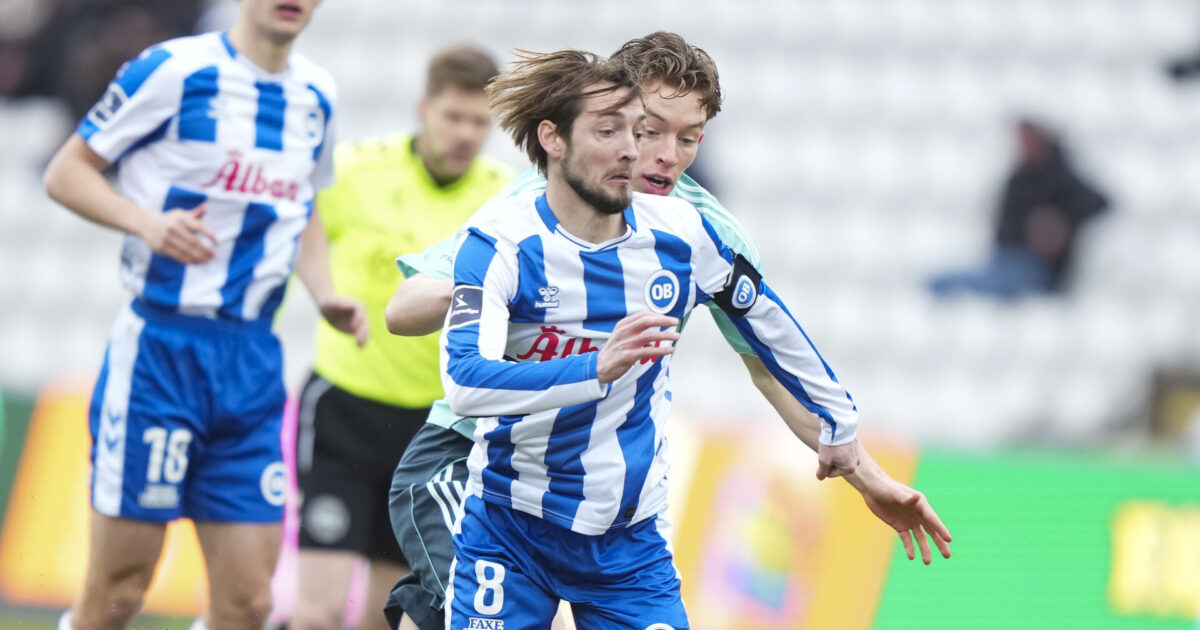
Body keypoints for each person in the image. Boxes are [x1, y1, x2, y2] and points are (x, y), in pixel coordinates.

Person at [383, 32, 952, 630]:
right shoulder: (537, 207)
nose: (664, 155)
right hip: (473, 455)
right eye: (650, 130)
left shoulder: (701, 235)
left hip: (604, 494)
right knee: (461, 606)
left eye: (688, 138)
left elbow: (767, 361)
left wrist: (868, 478)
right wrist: (514, 291)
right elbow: (402, 310)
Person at [40, 2, 367, 629]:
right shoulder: (172, 71)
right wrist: (146, 222)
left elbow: (305, 210)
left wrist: (324, 290)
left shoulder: (316, 95)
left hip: (251, 362)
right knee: (119, 591)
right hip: (162, 352)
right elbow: (66, 173)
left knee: (249, 603)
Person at [290, 46, 513, 630]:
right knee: (316, 612)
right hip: (343, 405)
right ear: (424, 108)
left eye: (479, 122)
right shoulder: (357, 170)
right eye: (453, 117)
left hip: (429, 430)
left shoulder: (502, 201)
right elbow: (299, 218)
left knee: (382, 617)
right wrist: (322, 292)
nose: (465, 134)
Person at [928, 117, 1109, 298]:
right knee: (940, 283)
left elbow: (1101, 204)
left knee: (976, 289)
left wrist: (1060, 223)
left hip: (1038, 269)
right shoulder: (1018, 177)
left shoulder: (1062, 178)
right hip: (1003, 260)